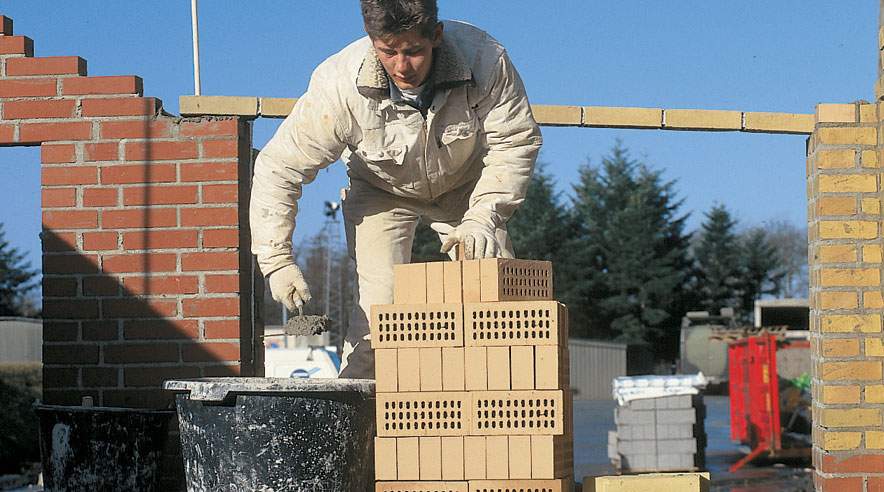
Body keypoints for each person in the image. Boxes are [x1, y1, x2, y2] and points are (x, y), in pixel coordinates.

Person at [249, 0, 542, 378]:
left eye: (413, 51)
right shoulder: (339, 86)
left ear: (436, 36)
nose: (402, 66)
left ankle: (505, 406)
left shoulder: (485, 60)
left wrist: (484, 218)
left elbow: (515, 141)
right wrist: (276, 263)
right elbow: (279, 168)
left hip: (466, 191)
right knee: (379, 309)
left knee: (496, 291)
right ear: (372, 42)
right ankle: (359, 423)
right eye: (388, 52)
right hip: (380, 192)